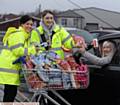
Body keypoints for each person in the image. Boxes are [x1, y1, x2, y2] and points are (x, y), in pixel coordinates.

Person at [0, 15, 37, 102]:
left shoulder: (24, 35)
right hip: (10, 67)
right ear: (21, 24)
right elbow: (18, 51)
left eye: (31, 25)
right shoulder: (19, 34)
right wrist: (33, 49)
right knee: (10, 93)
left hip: (11, 66)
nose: (29, 26)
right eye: (27, 24)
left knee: (10, 92)